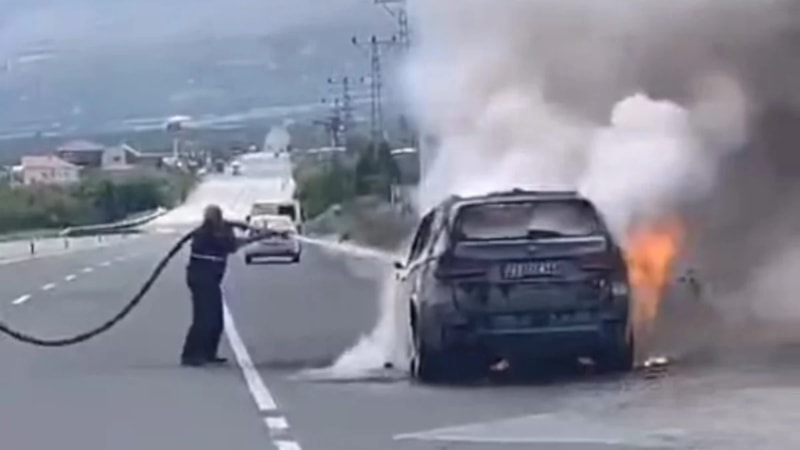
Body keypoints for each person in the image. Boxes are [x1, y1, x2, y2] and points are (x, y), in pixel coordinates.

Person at [181, 204, 272, 367]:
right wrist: (260, 237)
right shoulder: (208, 234)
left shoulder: (215, 228)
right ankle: (191, 355)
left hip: (209, 278)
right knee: (204, 318)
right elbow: (233, 245)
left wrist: (245, 225)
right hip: (202, 278)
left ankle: (208, 353)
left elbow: (229, 225)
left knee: (215, 318)